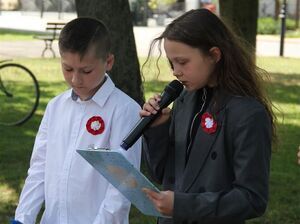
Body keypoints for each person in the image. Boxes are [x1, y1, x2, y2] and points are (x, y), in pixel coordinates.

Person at [141, 9, 276, 224]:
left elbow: (252, 199)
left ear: (214, 55)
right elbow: (163, 175)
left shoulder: (248, 114)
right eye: (171, 63)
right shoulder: (184, 99)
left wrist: (183, 205)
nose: (175, 71)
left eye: (183, 62)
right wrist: (158, 128)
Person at [11, 17, 141, 224]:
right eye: (68, 69)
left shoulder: (125, 111)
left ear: (108, 62)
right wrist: (23, 217)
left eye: (86, 71)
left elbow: (122, 187)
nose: (75, 80)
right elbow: (39, 168)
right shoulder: (55, 107)